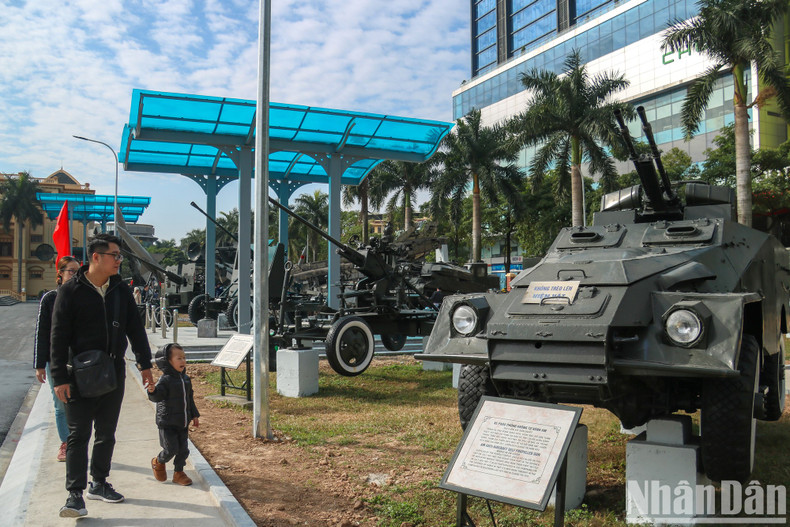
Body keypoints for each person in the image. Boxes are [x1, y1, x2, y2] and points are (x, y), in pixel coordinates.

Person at [50, 234, 154, 518]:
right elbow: (58, 336)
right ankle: (74, 496)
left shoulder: (120, 290)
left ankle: (99, 482)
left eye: (120, 256)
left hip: (112, 372)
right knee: (78, 435)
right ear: (96, 257)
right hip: (77, 376)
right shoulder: (70, 291)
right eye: (115, 255)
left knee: (106, 433)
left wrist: (145, 365)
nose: (119, 260)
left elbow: (136, 329)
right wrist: (59, 377)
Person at [34, 255, 80, 462]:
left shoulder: (84, 297)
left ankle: (78, 442)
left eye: (78, 271)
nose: (75, 275)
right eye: (71, 271)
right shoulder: (50, 299)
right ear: (60, 274)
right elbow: (42, 333)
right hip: (55, 361)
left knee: (79, 402)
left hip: (79, 360)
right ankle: (65, 443)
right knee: (61, 404)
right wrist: (39, 365)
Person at [147, 343, 200, 486]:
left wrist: (194, 415)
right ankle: (158, 461)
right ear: (168, 361)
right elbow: (157, 397)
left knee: (183, 450)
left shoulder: (186, 379)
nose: (183, 361)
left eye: (184, 358)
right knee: (171, 449)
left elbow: (190, 398)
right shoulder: (165, 380)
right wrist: (152, 391)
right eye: (179, 358)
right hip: (167, 422)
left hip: (183, 422)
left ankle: (179, 473)